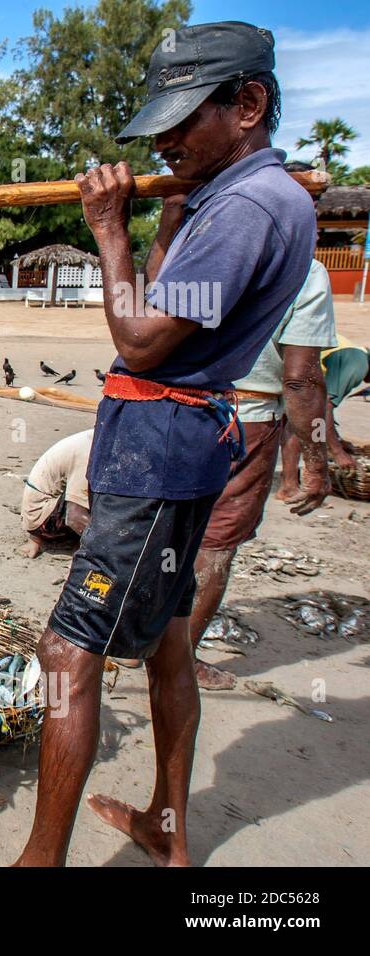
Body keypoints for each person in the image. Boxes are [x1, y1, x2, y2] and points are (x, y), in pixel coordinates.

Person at [14, 21, 316, 867]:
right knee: (171, 640)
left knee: (68, 653)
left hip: (158, 449)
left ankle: (38, 865)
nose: (167, 141)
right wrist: (166, 215)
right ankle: (168, 833)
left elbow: (142, 338)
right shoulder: (245, 197)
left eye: (184, 121)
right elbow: (166, 297)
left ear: (248, 104)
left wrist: (106, 226)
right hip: (183, 442)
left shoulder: (250, 205)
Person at [187, 196, 336, 691]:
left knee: (168, 533)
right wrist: (318, 460)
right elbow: (300, 380)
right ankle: (178, 661)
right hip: (244, 421)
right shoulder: (305, 272)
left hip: (178, 410)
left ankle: (134, 639)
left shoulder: (200, 251)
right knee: (215, 544)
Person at [276, 333, 369, 494]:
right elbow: (324, 409)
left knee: (294, 421)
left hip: (286, 359)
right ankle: (289, 486)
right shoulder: (358, 364)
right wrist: (338, 452)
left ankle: (288, 483)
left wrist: (337, 440)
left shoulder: (352, 352)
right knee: (300, 422)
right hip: (291, 363)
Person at [19, 429, 93, 559]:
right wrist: (104, 543)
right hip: (43, 520)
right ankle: (84, 543)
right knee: (94, 494)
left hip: (40, 515)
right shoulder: (89, 451)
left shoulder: (90, 439)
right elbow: (74, 515)